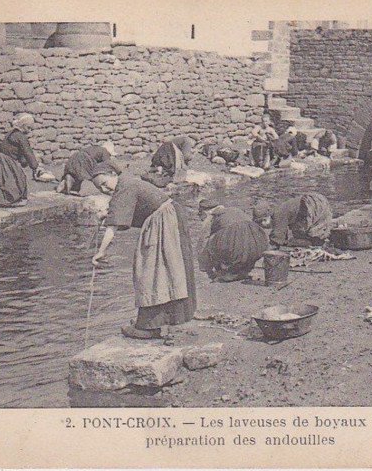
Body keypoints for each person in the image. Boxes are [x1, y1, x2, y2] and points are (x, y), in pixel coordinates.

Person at [92, 174, 196, 340]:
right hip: (169, 219)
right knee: (168, 272)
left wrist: (101, 251)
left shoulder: (125, 186)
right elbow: (126, 211)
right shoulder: (128, 183)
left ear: (113, 175)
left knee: (150, 273)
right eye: (100, 188)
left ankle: (148, 327)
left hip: (164, 223)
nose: (105, 189)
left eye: (104, 183)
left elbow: (113, 226)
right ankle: (161, 320)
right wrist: (108, 215)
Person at [0, 113, 50, 208]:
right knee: (19, 183)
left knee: (0, 182)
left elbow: (16, 152)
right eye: (28, 128)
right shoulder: (21, 137)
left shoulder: (10, 134)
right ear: (23, 126)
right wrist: (36, 167)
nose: (30, 130)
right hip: (8, 162)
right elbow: (28, 153)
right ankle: (3, 196)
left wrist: (23, 162)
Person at [197, 202, 269, 282]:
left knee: (211, 240)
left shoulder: (212, 216)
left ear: (204, 212)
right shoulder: (235, 210)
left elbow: (203, 241)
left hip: (236, 242)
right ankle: (242, 271)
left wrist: (205, 268)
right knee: (243, 241)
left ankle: (229, 272)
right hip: (258, 243)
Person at [253, 193, 333, 248]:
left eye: (262, 221)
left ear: (267, 216)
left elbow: (277, 236)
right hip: (315, 201)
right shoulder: (281, 210)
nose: (263, 225)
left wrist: (268, 247)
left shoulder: (278, 213)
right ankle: (317, 240)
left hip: (313, 204)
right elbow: (283, 231)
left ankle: (316, 241)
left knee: (312, 233)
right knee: (298, 234)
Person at [57, 141, 124, 195]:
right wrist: (119, 171)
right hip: (84, 159)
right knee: (90, 175)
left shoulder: (94, 148)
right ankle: (71, 187)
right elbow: (109, 163)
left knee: (75, 174)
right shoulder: (104, 151)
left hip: (75, 156)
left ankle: (68, 181)